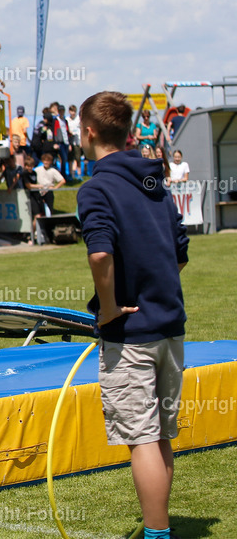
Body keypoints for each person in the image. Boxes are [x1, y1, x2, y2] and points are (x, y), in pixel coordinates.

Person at [77, 91, 188, 539]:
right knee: (159, 436)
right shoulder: (154, 180)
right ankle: (158, 528)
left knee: (141, 439)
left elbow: (100, 254)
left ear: (89, 133)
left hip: (131, 333)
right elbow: (180, 252)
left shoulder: (96, 188)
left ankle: (157, 533)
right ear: (126, 132)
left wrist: (108, 308)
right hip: (170, 326)